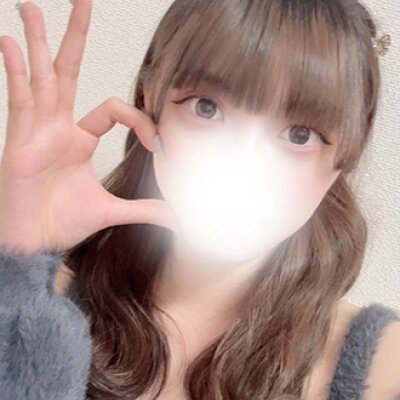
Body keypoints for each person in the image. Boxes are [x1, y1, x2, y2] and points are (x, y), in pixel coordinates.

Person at [0, 0, 399, 399]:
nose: (241, 164)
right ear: (150, 101)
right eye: (206, 107)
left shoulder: (384, 369)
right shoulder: (34, 297)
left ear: (345, 157)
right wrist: (17, 257)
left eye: (300, 135)